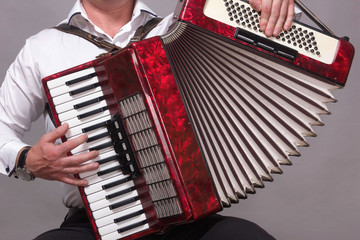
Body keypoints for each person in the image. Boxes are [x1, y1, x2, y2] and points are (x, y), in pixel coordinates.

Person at [0, 0, 297, 239]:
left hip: (190, 222)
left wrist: (267, 6)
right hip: (93, 226)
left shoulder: (182, 27)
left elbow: (267, 32)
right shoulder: (42, 47)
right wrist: (26, 159)